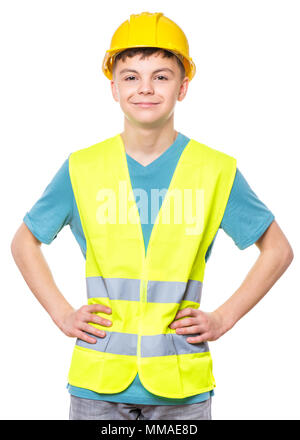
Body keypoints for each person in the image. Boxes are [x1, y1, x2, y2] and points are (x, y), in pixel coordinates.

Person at [11, 11, 293, 421]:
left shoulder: (215, 171)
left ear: (183, 87)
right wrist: (61, 312)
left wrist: (222, 318)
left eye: (161, 76)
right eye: (131, 76)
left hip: (181, 389)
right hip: (98, 383)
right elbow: (24, 241)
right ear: (113, 88)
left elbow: (278, 251)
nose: (145, 88)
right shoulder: (82, 168)